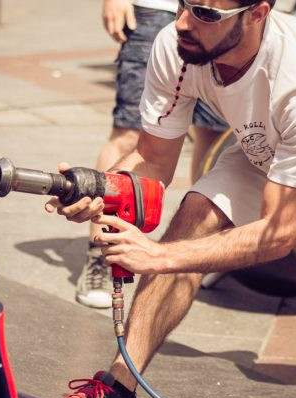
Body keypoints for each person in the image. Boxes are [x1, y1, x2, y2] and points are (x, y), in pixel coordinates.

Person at [45, 0, 296, 398]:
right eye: (184, 4)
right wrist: (98, 191)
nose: (184, 22)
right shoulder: (177, 45)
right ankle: (117, 393)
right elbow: (153, 160)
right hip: (272, 151)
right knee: (194, 217)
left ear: (258, 14)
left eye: (206, 14)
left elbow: (276, 236)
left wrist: (158, 257)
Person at [76, 0, 228, 309]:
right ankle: (102, 253)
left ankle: (198, 251)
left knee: (213, 137)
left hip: (223, 14)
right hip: (156, 9)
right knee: (131, 133)